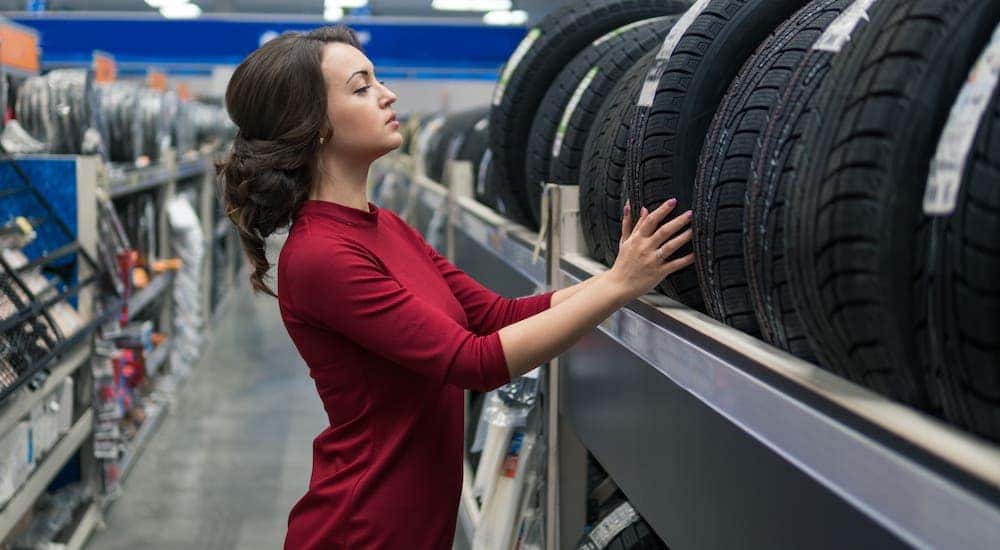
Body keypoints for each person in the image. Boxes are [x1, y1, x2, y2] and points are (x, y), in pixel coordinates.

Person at [216, 25, 693, 550]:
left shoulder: (385, 226)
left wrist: (619, 276)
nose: (387, 93)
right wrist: (621, 286)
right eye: (360, 87)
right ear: (314, 126)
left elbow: (495, 316)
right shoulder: (322, 255)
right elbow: (476, 361)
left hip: (412, 524)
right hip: (363, 529)